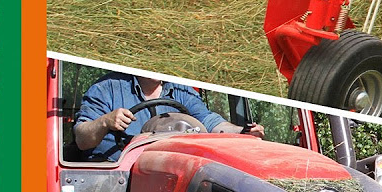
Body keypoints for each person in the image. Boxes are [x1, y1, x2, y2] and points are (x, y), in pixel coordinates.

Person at [74, 73, 264, 160]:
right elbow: (82, 139)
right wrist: (104, 121)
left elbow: (209, 121)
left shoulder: (181, 90)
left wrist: (243, 132)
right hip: (114, 178)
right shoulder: (107, 88)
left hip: (163, 173)